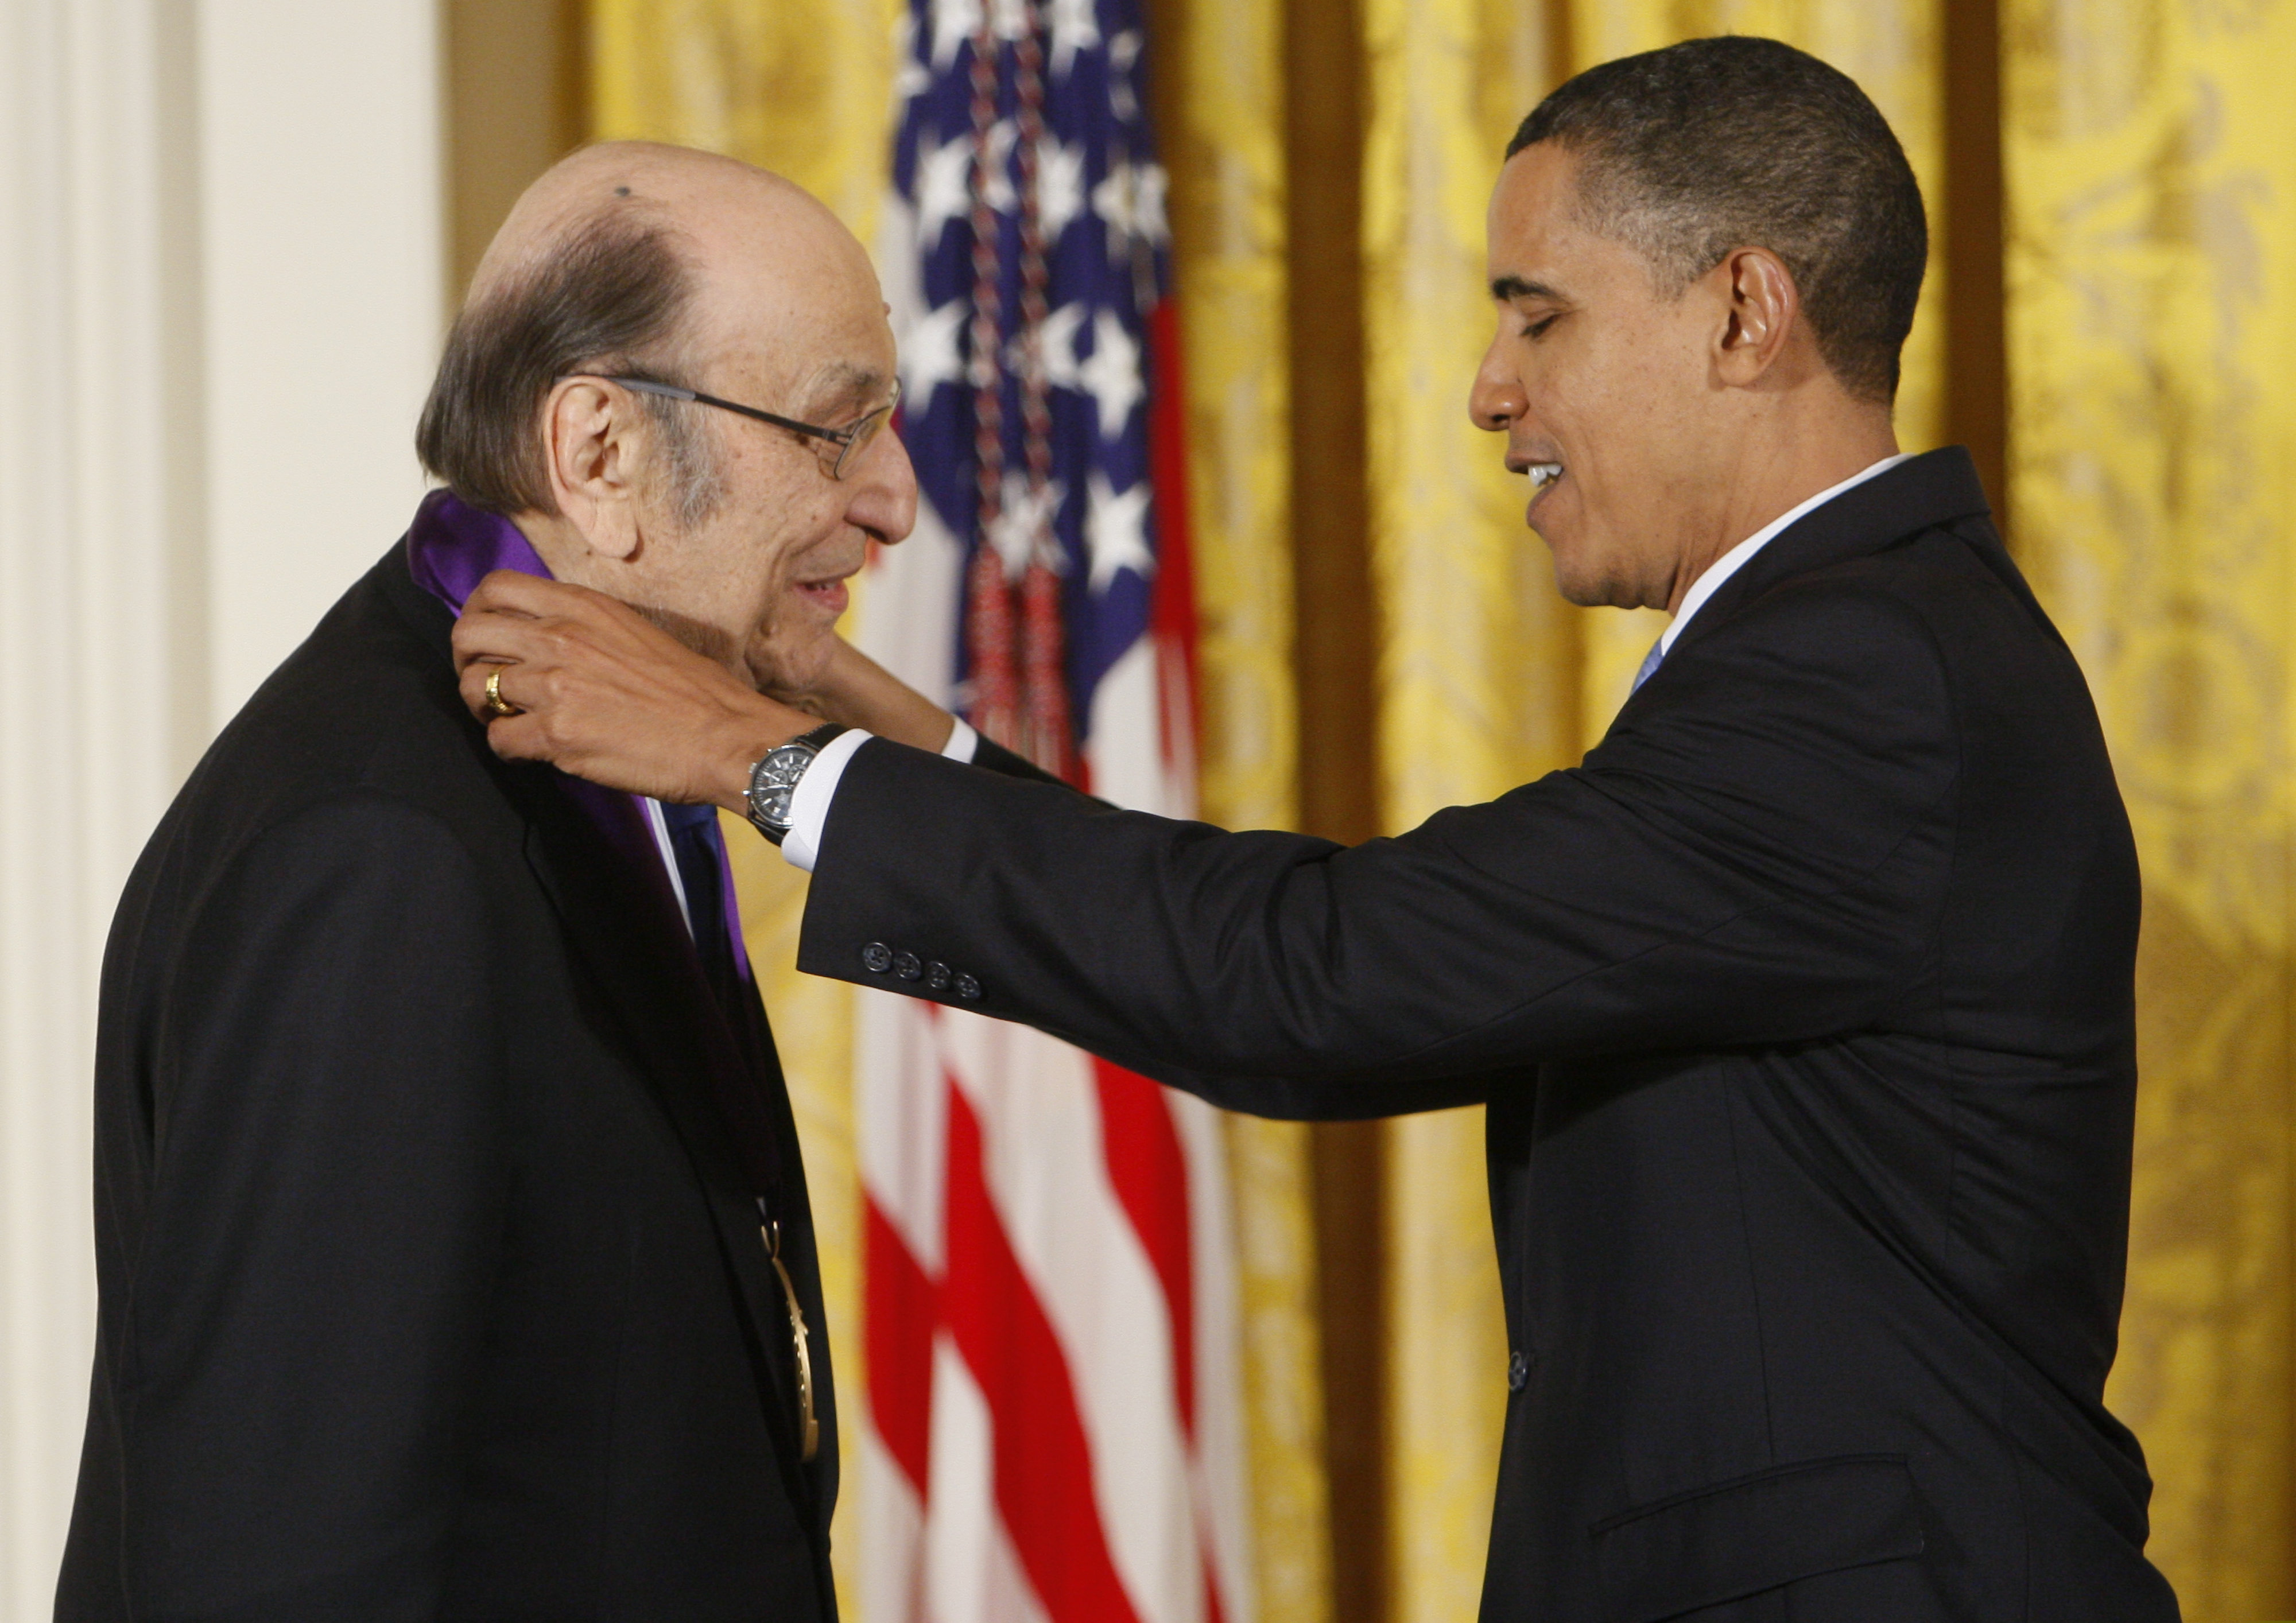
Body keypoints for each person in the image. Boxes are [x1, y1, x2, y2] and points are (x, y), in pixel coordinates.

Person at [452, 40, 2180, 1622]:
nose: (1491, 392)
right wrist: (908, 744)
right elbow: (1324, 957)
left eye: (1540, 316)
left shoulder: (1870, 677)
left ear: (1745, 313)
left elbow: (1328, 975)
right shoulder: (1859, 649)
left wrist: (758, 759)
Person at [56, 141, 1053, 1620]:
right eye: (837, 433)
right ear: (600, 455)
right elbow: (282, 1565)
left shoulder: (578, 755)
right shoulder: (376, 864)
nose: (897, 500)